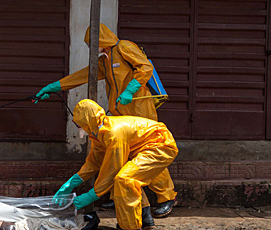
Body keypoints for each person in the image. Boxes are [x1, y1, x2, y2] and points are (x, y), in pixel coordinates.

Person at [35, 23, 177, 219]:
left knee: (143, 153)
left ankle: (166, 197)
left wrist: (129, 90)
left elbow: (145, 67)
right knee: (119, 156)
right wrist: (54, 86)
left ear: (101, 40)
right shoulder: (105, 61)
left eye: (92, 44)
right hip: (120, 114)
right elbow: (83, 76)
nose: (91, 49)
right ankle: (118, 195)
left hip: (139, 109)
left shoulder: (124, 47)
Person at [53, 99, 178, 230]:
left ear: (88, 121)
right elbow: (93, 163)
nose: (78, 126)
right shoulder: (98, 133)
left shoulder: (113, 133)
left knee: (124, 180)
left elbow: (111, 170)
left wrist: (91, 195)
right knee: (126, 178)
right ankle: (144, 218)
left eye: (79, 123)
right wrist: (71, 183)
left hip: (160, 146)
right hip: (142, 147)